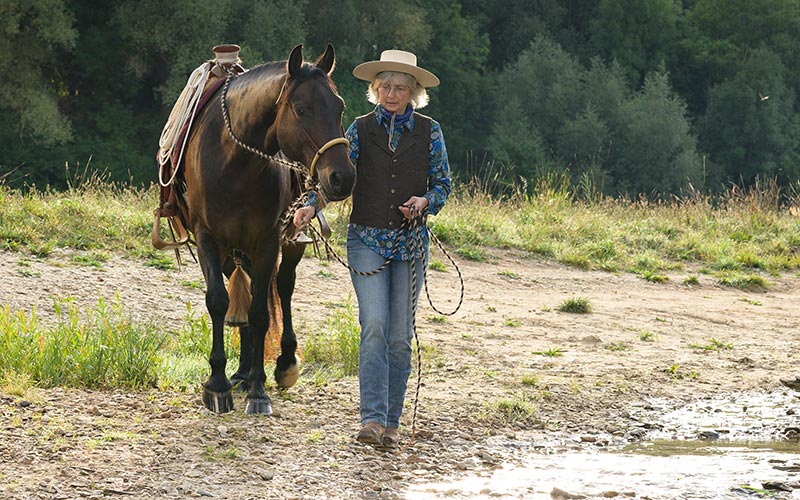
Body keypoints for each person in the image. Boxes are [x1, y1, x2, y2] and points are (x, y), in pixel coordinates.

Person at [293, 49, 451, 450]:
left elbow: (442, 185)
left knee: (399, 335)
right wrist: (312, 205)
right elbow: (337, 179)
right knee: (375, 326)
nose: (391, 94)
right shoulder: (359, 130)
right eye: (385, 87)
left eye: (399, 88)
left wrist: (425, 202)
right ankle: (371, 420)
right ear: (375, 90)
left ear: (413, 93)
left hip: (411, 245)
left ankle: (392, 423)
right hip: (366, 240)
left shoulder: (430, 131)